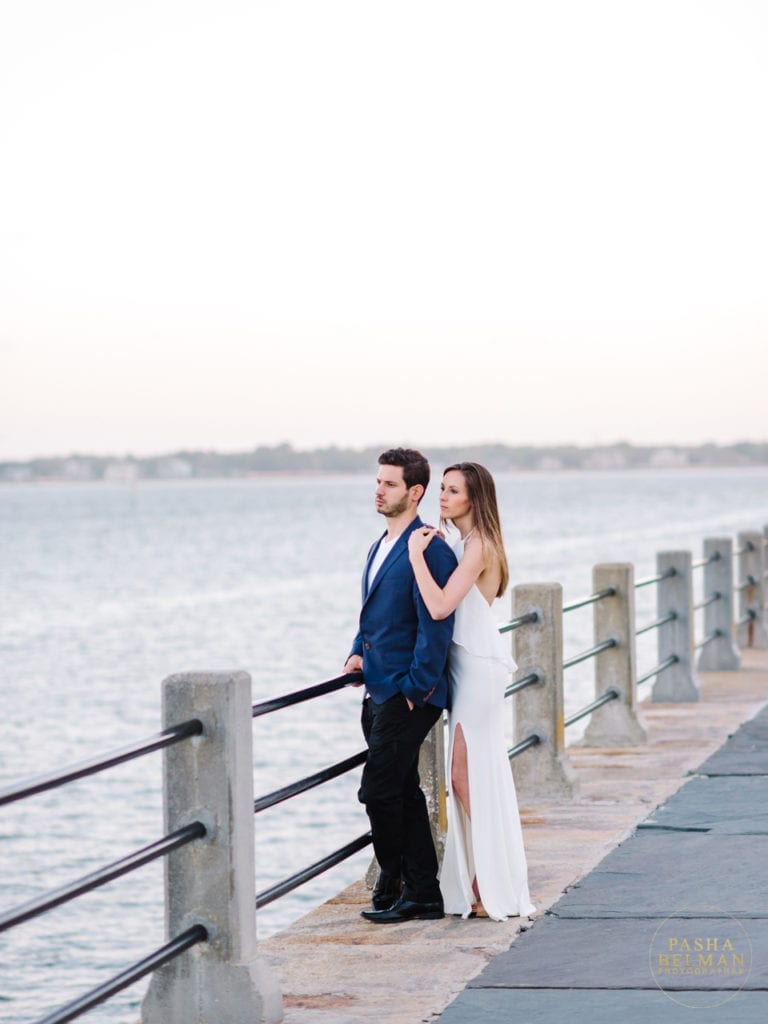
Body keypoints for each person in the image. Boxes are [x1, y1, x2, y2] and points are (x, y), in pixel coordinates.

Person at [407, 462, 535, 921]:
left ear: (474, 497)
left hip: (478, 671)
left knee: (463, 777)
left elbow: (441, 607)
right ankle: (485, 880)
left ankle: (489, 878)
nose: (442, 496)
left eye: (452, 490)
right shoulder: (464, 544)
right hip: (465, 670)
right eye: (441, 488)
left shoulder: (479, 545)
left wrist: (416, 557)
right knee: (475, 775)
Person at [344, 447, 458, 923]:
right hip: (377, 686)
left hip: (411, 694)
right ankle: (424, 894)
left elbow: (437, 625)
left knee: (377, 790)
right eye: (377, 481)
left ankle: (390, 877)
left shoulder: (429, 547)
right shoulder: (379, 545)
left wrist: (415, 689)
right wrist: (355, 650)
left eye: (389, 483)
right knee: (404, 790)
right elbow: (375, 611)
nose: (378, 489)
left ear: (415, 492)